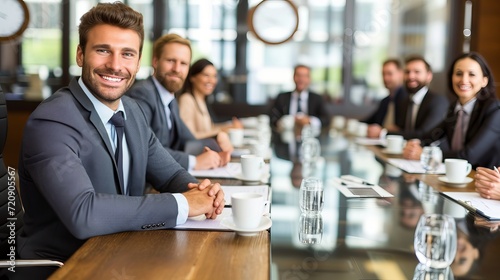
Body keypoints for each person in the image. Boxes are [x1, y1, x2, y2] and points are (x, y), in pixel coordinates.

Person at [15, 3, 224, 278]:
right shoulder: (53, 120)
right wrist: (185, 204)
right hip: (65, 268)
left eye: (127, 54)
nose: (115, 65)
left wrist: (201, 191)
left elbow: (169, 172)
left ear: (138, 63)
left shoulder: (131, 110)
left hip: (121, 255)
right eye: (103, 50)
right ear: (80, 55)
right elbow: (84, 214)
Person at [127, 34, 232, 171]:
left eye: (183, 63)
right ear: (155, 61)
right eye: (171, 61)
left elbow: (188, 139)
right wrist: (194, 162)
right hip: (148, 186)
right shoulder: (142, 94)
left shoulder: (170, 98)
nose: (177, 69)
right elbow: (146, 150)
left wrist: (217, 143)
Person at [403, 52, 500, 169]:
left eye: (472, 74)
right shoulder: (454, 108)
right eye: (458, 73)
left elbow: (468, 155)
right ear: (451, 78)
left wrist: (425, 154)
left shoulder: (495, 110)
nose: (464, 80)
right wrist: (415, 145)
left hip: (486, 181)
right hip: (459, 177)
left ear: (484, 81)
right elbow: (431, 136)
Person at [368, 55, 449, 139]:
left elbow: (423, 134)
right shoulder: (405, 102)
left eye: (417, 72)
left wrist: (384, 133)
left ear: (429, 76)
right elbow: (400, 130)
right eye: (407, 72)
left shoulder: (438, 102)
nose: (411, 76)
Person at [177, 58, 242, 139]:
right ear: (192, 77)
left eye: (214, 76)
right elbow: (189, 136)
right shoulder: (187, 100)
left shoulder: (202, 99)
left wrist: (230, 126)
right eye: (206, 75)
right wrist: (222, 130)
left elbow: (209, 128)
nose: (212, 80)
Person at [269, 64, 330, 136]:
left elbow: (326, 120)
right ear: (293, 77)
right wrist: (284, 122)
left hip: (310, 139)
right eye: (298, 75)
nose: (301, 79)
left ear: (309, 79)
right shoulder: (282, 97)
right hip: (285, 139)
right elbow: (272, 117)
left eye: (304, 76)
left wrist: (309, 121)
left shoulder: (317, 98)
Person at [365, 58, 407, 138]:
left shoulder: (407, 100)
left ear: (401, 74)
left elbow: (402, 129)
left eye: (389, 74)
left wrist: (383, 131)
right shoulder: (385, 101)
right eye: (383, 74)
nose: (385, 78)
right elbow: (370, 121)